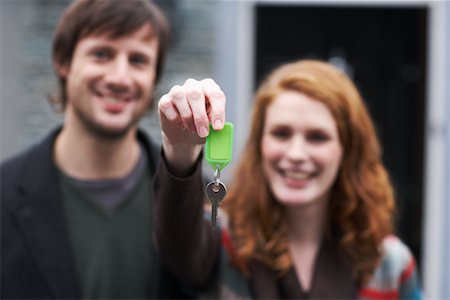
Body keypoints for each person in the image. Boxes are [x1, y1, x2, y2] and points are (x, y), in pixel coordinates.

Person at [155, 59, 422, 299]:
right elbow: (178, 246)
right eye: (281, 133)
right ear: (260, 143)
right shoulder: (221, 241)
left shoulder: (391, 264)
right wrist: (180, 148)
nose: (295, 154)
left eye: (317, 137)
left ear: (347, 149)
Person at [0, 0, 189, 299]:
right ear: (63, 62)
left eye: (138, 60)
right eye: (102, 54)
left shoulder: (194, 196)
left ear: (155, 77)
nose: (119, 77)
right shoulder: (5, 195)